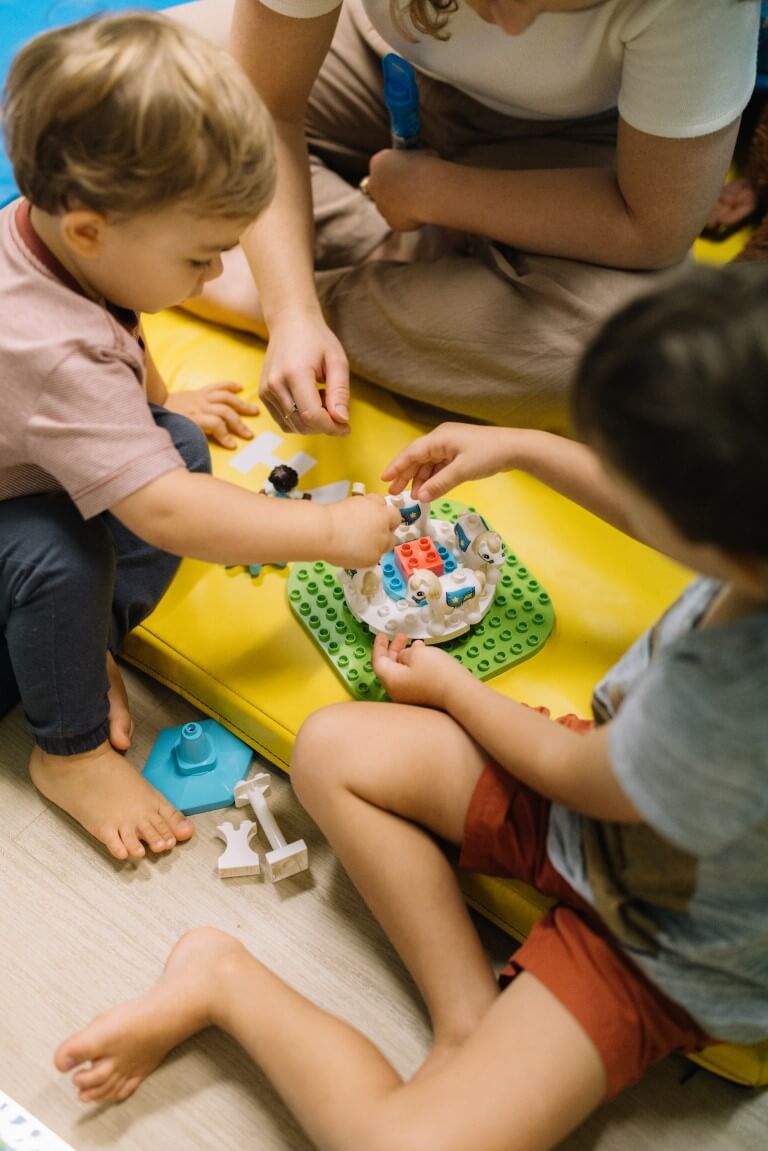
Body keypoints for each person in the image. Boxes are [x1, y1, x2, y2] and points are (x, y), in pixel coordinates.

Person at [53, 263, 768, 1149]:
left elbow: (582, 775)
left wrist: (452, 689)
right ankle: (468, 1015)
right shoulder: (750, 554)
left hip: (659, 945)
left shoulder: (733, 694)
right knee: (332, 751)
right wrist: (524, 446)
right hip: (603, 808)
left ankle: (223, 981)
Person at [0, 12, 400, 863]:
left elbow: (123, 328)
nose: (217, 277)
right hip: (11, 518)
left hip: (22, 465)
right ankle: (67, 750)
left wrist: (155, 397)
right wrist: (327, 533)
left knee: (175, 438)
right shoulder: (45, 345)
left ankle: (84, 644)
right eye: (199, 258)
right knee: (61, 558)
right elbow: (172, 517)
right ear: (90, 230)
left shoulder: (65, 245)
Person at [173, 0, 758, 433]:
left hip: (564, 145)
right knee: (116, 99)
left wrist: (437, 193)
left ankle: (249, 278)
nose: (510, 26)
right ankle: (383, 273)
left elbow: (652, 227)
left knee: (633, 356)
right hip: (367, 53)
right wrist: (290, 311)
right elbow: (266, 108)